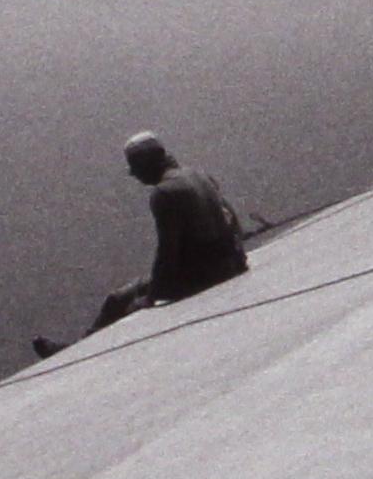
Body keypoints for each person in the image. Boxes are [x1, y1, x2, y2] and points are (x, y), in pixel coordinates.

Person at [34, 131, 250, 357]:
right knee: (120, 297)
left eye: (134, 167)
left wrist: (152, 296)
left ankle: (77, 351)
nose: (133, 174)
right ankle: (79, 345)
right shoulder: (199, 175)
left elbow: (168, 252)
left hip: (204, 274)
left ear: (146, 163)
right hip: (229, 264)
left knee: (122, 303)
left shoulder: (163, 193)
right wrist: (239, 260)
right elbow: (232, 221)